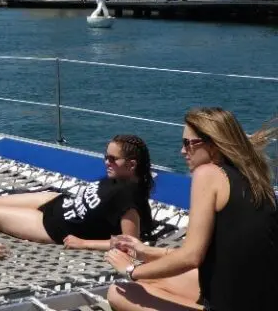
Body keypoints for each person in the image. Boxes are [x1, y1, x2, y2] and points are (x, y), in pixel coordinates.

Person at [105, 108, 278, 311]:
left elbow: (191, 257)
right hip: (262, 299)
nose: (182, 151)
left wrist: (131, 269)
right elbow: (214, 253)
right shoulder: (254, 178)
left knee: (119, 291)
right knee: (153, 279)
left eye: (189, 143)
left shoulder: (208, 173)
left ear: (213, 145)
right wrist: (145, 252)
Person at [0, 134, 154, 249]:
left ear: (132, 164)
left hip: (52, 226)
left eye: (112, 159)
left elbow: (130, 244)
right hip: (57, 202)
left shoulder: (129, 197)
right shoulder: (119, 179)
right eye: (106, 156)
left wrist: (84, 243)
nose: (106, 162)